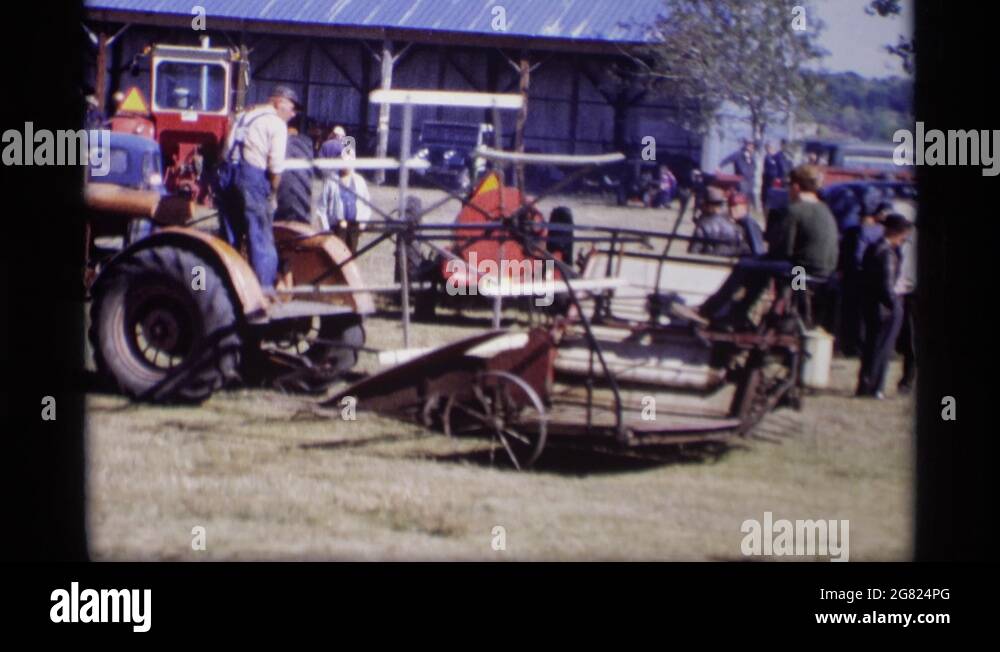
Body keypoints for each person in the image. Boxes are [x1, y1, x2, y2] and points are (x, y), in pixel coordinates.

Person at [698, 165, 839, 330]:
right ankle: (738, 313)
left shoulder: (795, 210)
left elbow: (782, 251)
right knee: (760, 266)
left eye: (789, 187)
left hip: (799, 273)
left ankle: (711, 310)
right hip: (823, 273)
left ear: (796, 187)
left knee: (745, 265)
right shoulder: (824, 209)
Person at [218, 84, 299, 295]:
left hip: (227, 175)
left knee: (229, 238)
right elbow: (276, 167)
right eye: (291, 107)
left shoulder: (244, 116)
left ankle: (229, 289)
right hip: (252, 178)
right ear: (278, 102)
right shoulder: (277, 124)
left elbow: (225, 149)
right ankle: (263, 294)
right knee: (260, 237)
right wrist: (272, 193)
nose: (293, 113)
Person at [856, 214, 913, 399]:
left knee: (872, 347)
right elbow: (886, 286)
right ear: (898, 233)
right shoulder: (887, 253)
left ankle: (866, 384)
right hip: (886, 309)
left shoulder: (873, 248)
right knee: (882, 349)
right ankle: (875, 387)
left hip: (872, 306)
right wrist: (896, 305)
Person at [838, 190, 891, 355]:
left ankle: (852, 346)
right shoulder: (881, 232)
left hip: (854, 278)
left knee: (853, 313)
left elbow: (854, 257)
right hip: (872, 278)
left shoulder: (856, 231)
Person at [314, 147, 371, 253]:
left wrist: (363, 224)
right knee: (337, 256)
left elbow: (366, 205)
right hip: (337, 228)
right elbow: (321, 208)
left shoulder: (359, 181)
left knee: (351, 256)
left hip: (354, 227)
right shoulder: (331, 181)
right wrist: (326, 229)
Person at [894, 216, 917, 394]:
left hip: (911, 293)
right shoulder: (910, 238)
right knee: (910, 341)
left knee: (912, 341)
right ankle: (907, 381)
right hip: (908, 293)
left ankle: (908, 381)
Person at [688, 186, 744, 256]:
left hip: (707, 264)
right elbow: (741, 250)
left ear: (706, 205)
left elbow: (693, 252)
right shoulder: (735, 227)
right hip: (727, 264)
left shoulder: (703, 227)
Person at [719, 139, 757, 206]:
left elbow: (754, 167)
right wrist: (720, 166)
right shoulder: (738, 154)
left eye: (752, 146)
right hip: (741, 180)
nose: (751, 147)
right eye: (749, 145)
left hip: (750, 181)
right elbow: (728, 159)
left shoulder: (752, 157)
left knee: (748, 200)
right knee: (741, 199)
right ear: (746, 145)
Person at [728, 192, 766, 257]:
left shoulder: (749, 223)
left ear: (744, 207)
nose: (732, 210)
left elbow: (758, 250)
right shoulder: (736, 223)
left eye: (736, 206)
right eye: (730, 206)